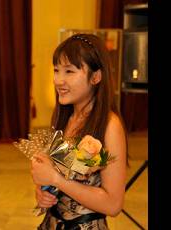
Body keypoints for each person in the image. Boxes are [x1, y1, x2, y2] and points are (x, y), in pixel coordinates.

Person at [30, 34, 127, 229]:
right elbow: (55, 177)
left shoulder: (110, 125)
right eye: (56, 70)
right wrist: (42, 191)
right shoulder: (65, 117)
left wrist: (55, 179)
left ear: (96, 77)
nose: (58, 80)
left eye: (69, 71)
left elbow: (114, 204)